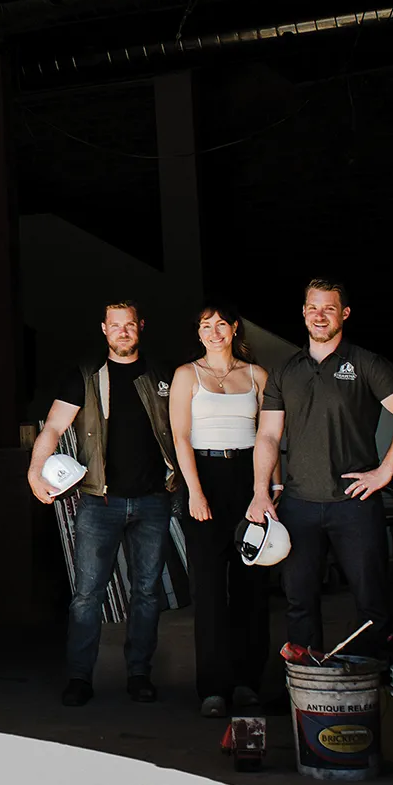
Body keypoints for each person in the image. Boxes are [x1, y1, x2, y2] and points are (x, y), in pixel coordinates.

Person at [250, 279, 393, 660]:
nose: (319, 315)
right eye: (313, 307)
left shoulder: (365, 363)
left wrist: (384, 472)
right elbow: (267, 435)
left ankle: (370, 691)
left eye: (328, 308)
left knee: (372, 604)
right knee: (299, 604)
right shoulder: (285, 371)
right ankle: (307, 694)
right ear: (303, 312)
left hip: (354, 503)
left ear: (344, 314)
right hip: (298, 504)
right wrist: (261, 491)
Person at [29, 300, 181, 707]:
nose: (123, 332)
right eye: (115, 326)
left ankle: (139, 675)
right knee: (87, 594)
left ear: (140, 327)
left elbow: (186, 428)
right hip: (101, 501)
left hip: (153, 500)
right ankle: (80, 678)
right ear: (104, 329)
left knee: (147, 593)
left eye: (129, 325)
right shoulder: (85, 376)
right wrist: (34, 471)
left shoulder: (162, 374)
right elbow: (54, 427)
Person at [168, 304, 271, 719]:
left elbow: (269, 435)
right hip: (204, 476)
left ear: (234, 329)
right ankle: (213, 688)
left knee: (252, 586)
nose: (213, 332)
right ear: (199, 333)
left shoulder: (257, 376)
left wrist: (268, 490)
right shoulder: (185, 375)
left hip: (250, 478)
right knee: (209, 589)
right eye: (205, 326)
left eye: (220, 325)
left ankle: (247, 682)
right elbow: (180, 436)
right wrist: (194, 491)